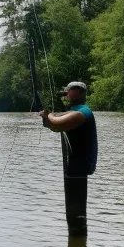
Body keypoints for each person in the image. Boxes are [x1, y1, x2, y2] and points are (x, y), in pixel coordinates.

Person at [39, 81, 98, 236]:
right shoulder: (72, 111)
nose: (66, 92)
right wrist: (47, 118)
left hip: (80, 167)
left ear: (78, 92)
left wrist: (49, 115)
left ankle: (77, 244)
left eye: (69, 90)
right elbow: (54, 126)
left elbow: (58, 122)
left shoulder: (82, 112)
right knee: (73, 216)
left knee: (77, 217)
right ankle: (76, 243)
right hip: (73, 168)